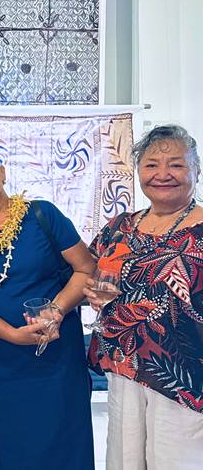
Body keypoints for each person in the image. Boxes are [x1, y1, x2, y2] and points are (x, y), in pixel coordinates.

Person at [0, 143, 96, 469]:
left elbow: (87, 269)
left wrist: (54, 311)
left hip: (54, 358)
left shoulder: (42, 214)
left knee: (61, 446)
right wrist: (11, 334)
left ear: (0, 171)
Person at [84, 125, 203, 468]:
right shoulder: (119, 226)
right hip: (125, 367)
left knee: (177, 461)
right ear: (138, 172)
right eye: (152, 165)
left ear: (196, 170)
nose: (163, 174)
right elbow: (90, 276)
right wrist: (91, 292)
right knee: (125, 460)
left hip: (185, 373)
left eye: (176, 165)